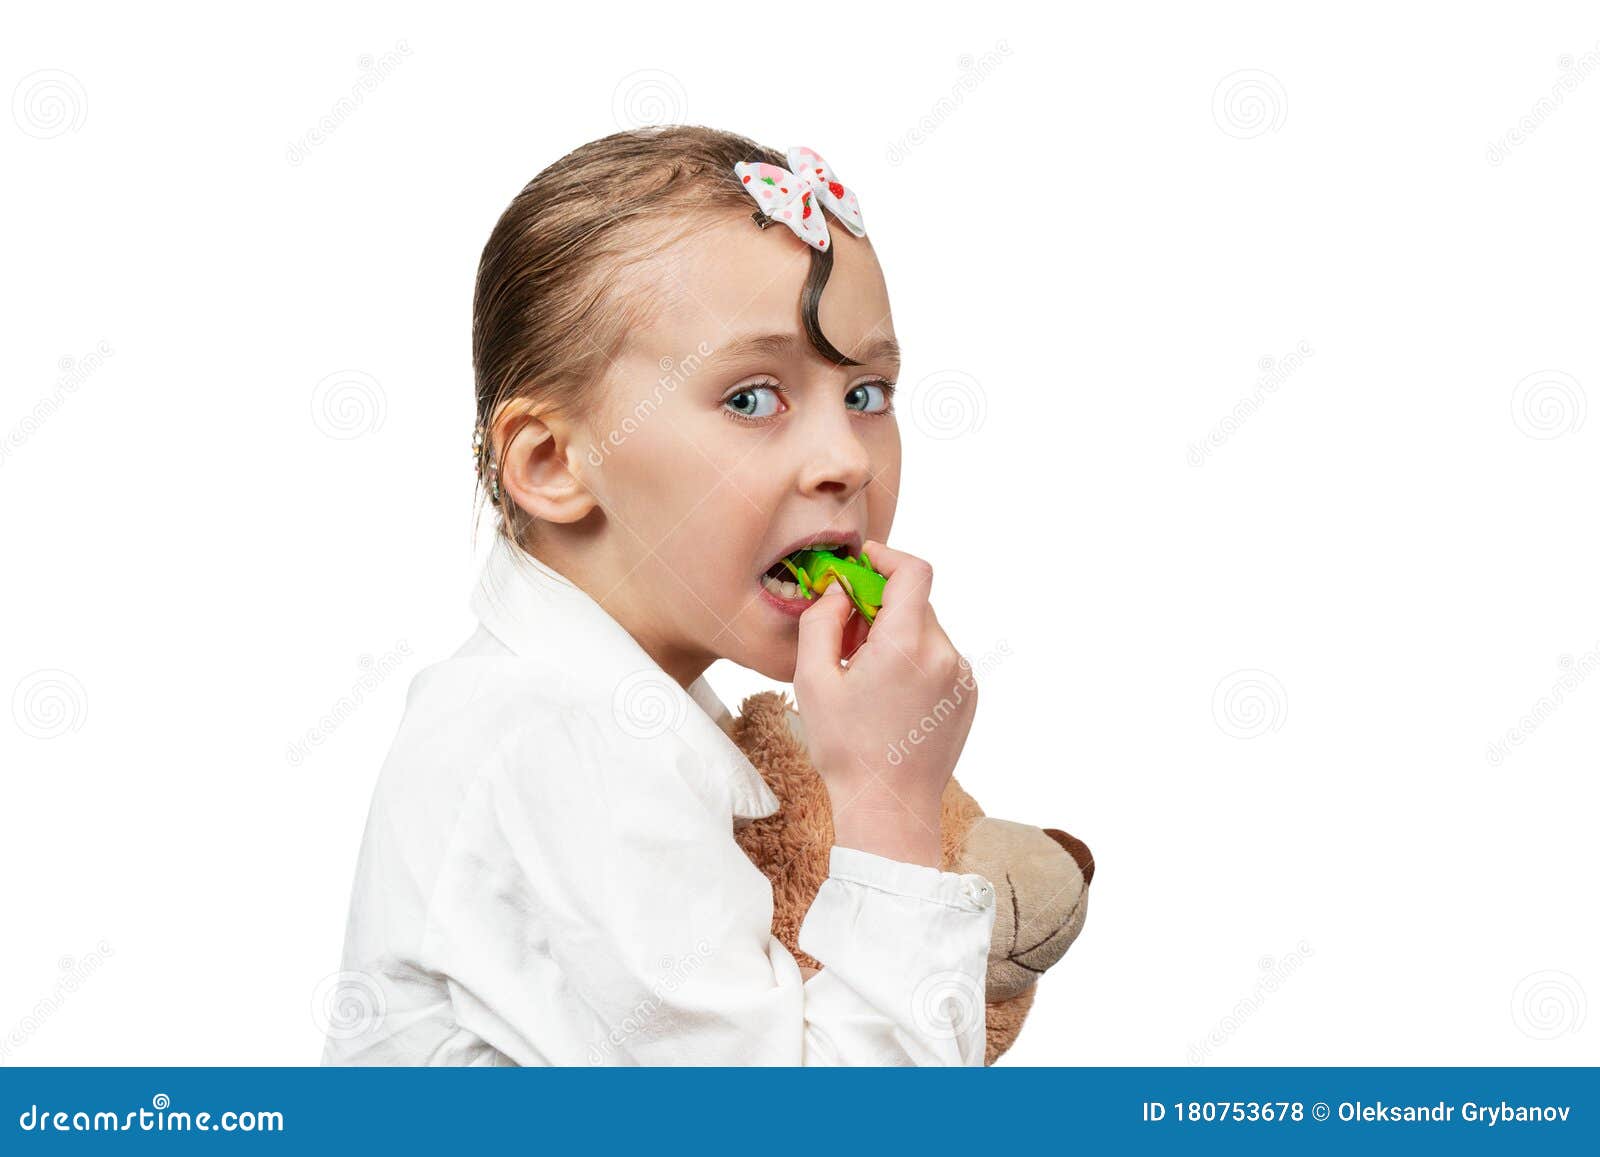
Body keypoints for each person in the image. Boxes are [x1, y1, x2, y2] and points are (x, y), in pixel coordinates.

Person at [322, 127, 994, 1065]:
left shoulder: (615, 718)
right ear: (554, 462)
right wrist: (890, 808)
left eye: (868, 394)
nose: (846, 460)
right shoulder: (555, 744)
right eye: (752, 399)